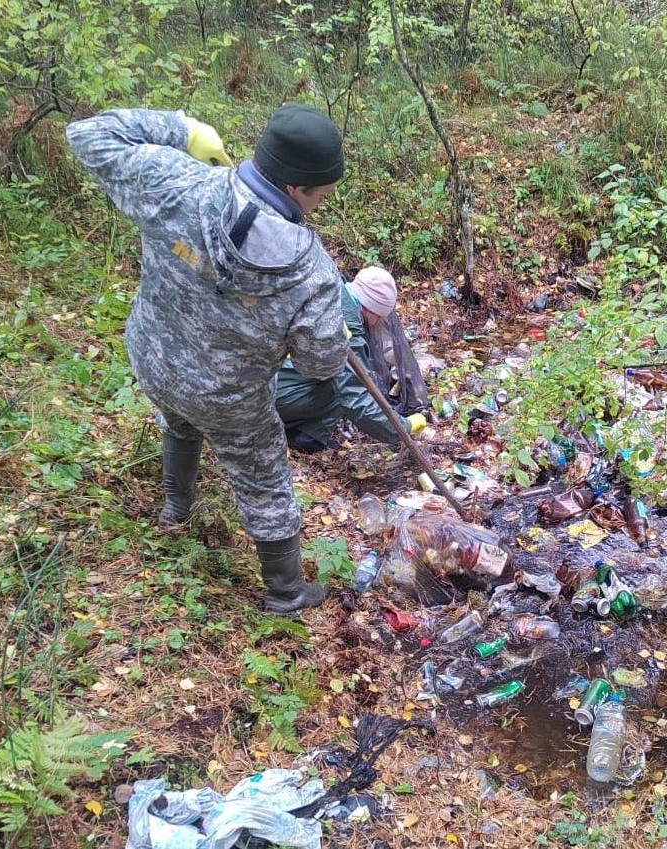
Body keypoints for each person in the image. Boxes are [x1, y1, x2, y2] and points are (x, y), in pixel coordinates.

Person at [67, 103, 350, 615]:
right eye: (322, 193)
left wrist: (181, 131)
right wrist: (333, 333)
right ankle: (286, 594)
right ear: (296, 189)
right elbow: (321, 365)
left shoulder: (178, 182)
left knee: (178, 421)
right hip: (229, 399)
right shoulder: (312, 274)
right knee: (264, 480)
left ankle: (176, 509)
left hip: (154, 361)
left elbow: (90, 133)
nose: (322, 203)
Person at [275, 266, 427, 453]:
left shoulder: (329, 291)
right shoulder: (345, 330)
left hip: (261, 378)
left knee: (340, 379)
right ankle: (307, 435)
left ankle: (307, 431)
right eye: (378, 316)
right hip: (271, 393)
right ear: (367, 308)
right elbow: (356, 397)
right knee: (344, 386)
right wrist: (403, 428)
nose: (376, 322)